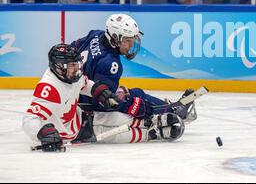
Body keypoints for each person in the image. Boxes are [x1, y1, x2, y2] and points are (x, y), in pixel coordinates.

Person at [22, 44, 185, 152]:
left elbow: (84, 83)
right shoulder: (49, 88)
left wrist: (99, 90)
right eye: (72, 66)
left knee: (119, 118)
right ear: (58, 67)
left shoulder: (70, 75)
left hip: (83, 118)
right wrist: (43, 133)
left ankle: (151, 122)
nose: (77, 70)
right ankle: (152, 134)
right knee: (120, 136)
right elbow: (29, 119)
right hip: (74, 135)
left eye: (77, 65)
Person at [70, 14, 196, 121]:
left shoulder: (96, 35)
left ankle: (168, 108)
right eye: (127, 41)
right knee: (135, 95)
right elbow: (103, 104)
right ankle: (172, 112)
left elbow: (71, 49)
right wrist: (130, 103)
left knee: (127, 92)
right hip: (86, 106)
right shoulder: (111, 64)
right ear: (114, 38)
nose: (131, 45)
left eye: (132, 40)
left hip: (75, 94)